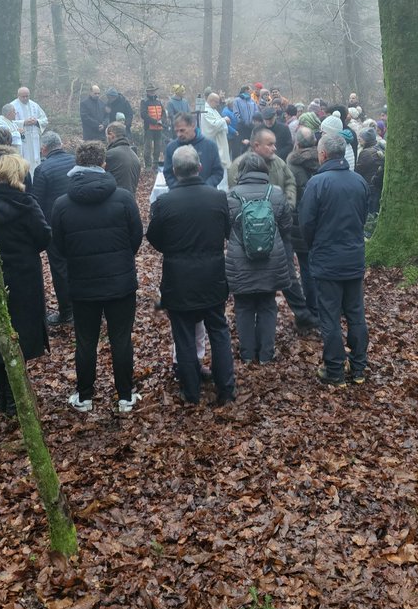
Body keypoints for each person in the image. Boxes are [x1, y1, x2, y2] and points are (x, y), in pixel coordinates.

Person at [51, 142, 144, 413]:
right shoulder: (124, 198)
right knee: (121, 339)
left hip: (82, 284)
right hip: (120, 282)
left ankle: (85, 396)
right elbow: (135, 237)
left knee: (86, 341)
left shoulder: (62, 204)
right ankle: (125, 396)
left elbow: (59, 245)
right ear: (103, 164)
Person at [146, 145, 237, 406]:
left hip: (179, 279)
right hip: (212, 277)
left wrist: (175, 250)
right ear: (199, 167)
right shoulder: (218, 198)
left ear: (174, 171)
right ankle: (226, 390)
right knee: (218, 330)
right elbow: (227, 232)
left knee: (184, 334)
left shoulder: (165, 202)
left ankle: (191, 392)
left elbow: (154, 237)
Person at [0, 154, 52, 418]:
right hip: (23, 277)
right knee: (19, 332)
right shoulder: (27, 204)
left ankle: (3, 397)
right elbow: (44, 237)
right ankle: (15, 396)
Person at [301, 132, 370, 387]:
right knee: (355, 313)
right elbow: (363, 217)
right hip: (352, 258)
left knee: (329, 316)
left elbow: (306, 223)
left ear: (323, 154)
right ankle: (359, 366)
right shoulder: (359, 181)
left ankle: (334, 370)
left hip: (327, 260)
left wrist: (315, 247)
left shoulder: (317, 184)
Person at [226, 153, 293, 364]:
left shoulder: (231, 196)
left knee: (244, 307)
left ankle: (247, 354)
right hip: (271, 260)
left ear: (242, 172)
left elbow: (225, 229)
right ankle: (266, 354)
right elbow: (286, 226)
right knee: (267, 305)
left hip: (240, 261)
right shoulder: (277, 193)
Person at [31, 131, 76, 326]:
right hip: (78, 223)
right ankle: (86, 306)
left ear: (44, 149)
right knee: (79, 264)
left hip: (55, 226)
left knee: (60, 269)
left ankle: (67, 312)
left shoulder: (42, 169)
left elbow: (36, 202)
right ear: (61, 143)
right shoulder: (76, 161)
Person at [286, 127, 322, 334]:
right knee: (312, 267)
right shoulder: (322, 160)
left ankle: (308, 311)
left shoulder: (291, 164)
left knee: (302, 269)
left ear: (297, 144)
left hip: (297, 223)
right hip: (319, 221)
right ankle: (317, 308)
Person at [227, 126, 297, 206]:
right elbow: (234, 196)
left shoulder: (278, 162)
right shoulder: (238, 165)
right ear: (257, 145)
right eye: (270, 144)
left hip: (278, 214)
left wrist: (288, 205)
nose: (274, 148)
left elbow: (290, 181)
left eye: (274, 144)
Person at [163, 113, 223, 189]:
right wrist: (179, 189)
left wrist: (205, 187)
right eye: (176, 131)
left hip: (207, 195)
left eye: (182, 130)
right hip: (180, 196)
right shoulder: (171, 148)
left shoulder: (210, 146)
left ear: (193, 125)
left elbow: (218, 172)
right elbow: (168, 174)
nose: (179, 134)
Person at [13, 87, 48, 169]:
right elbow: (9, 123)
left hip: (34, 138)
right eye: (23, 96)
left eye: (27, 96)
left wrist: (36, 121)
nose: (25, 98)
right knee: (25, 159)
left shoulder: (34, 105)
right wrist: (23, 122)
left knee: (35, 159)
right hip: (22, 139)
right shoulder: (13, 106)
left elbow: (45, 120)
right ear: (18, 96)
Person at [105, 122, 143, 195]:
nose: (106, 139)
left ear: (111, 134)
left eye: (107, 136)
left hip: (113, 200)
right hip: (130, 200)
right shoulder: (135, 156)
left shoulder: (110, 154)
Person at [355, 127, 384, 214]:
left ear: (367, 139)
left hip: (369, 186)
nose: (359, 138)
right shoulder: (379, 148)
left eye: (361, 137)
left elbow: (358, 171)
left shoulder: (366, 153)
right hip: (377, 187)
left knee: (369, 211)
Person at [200, 92, 232, 168]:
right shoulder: (205, 110)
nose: (218, 104)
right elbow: (212, 125)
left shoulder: (212, 109)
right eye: (217, 102)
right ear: (211, 101)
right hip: (213, 142)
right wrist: (224, 120)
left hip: (219, 141)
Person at [140, 85, 166, 168]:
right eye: (151, 91)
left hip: (159, 128)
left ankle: (155, 165)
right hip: (149, 129)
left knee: (158, 148)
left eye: (154, 90)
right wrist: (155, 122)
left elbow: (164, 113)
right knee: (148, 148)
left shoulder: (159, 101)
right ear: (147, 92)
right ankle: (148, 166)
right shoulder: (144, 101)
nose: (153, 92)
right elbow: (143, 114)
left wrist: (162, 120)